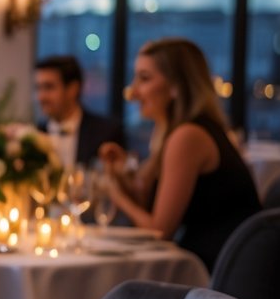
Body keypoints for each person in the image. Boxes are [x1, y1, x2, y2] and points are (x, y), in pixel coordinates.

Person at [98, 37, 260, 270]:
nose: (133, 92)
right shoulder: (170, 131)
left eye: (144, 78)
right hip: (207, 264)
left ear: (176, 86)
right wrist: (122, 172)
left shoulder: (187, 136)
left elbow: (160, 231)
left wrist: (116, 195)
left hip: (223, 276)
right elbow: (149, 204)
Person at [34, 54, 125, 169]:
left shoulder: (107, 133)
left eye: (49, 87)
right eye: (38, 88)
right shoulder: (34, 135)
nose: (41, 97)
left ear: (73, 89)